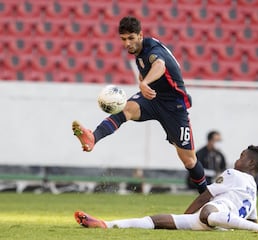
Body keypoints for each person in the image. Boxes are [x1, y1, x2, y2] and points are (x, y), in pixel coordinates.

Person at [72, 16, 207, 194]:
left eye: (131, 38)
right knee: (126, 109)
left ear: (140, 35)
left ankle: (206, 195)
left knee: (189, 160)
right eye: (123, 39)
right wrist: (143, 81)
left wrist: (144, 83)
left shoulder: (152, 49)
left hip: (174, 106)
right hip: (153, 98)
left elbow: (159, 65)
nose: (127, 43)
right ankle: (93, 137)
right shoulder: (139, 53)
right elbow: (148, 70)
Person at [74, 145, 258, 234]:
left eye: (242, 156)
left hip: (212, 215)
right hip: (215, 221)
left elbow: (205, 196)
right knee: (157, 220)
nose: (238, 158)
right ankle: (106, 225)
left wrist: (185, 216)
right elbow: (251, 219)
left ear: (251, 163)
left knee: (208, 210)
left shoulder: (233, 174)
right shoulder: (253, 188)